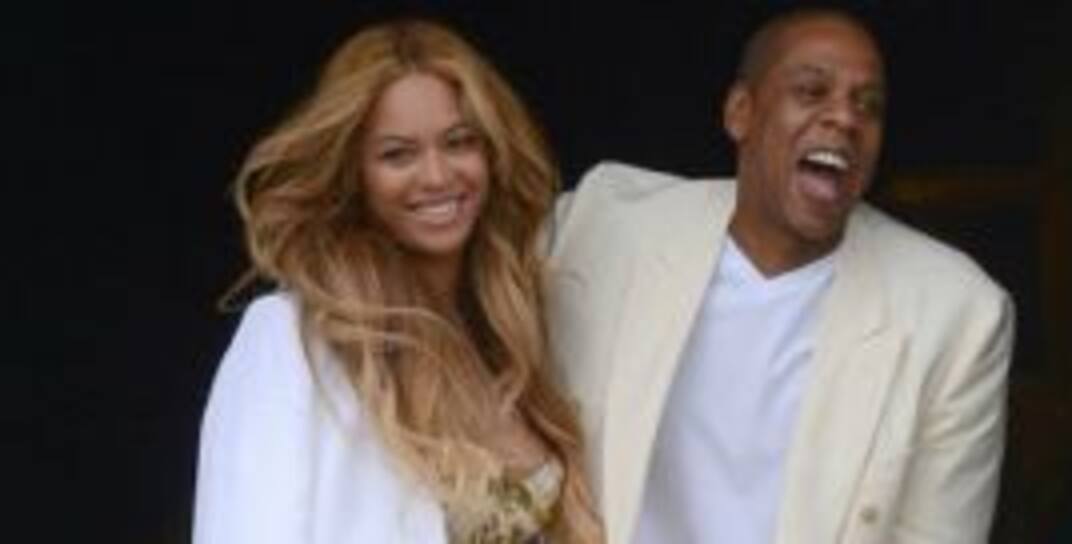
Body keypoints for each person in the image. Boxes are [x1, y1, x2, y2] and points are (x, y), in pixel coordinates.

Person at [543, 6, 1014, 544]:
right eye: (812, 92)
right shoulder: (606, 223)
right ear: (740, 112)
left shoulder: (956, 314)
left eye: (869, 106)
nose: (845, 118)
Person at [193, 18, 602, 544]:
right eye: (397, 154)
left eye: (458, 142)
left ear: (492, 153)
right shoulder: (295, 339)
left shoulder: (509, 337)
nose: (437, 175)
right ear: (353, 173)